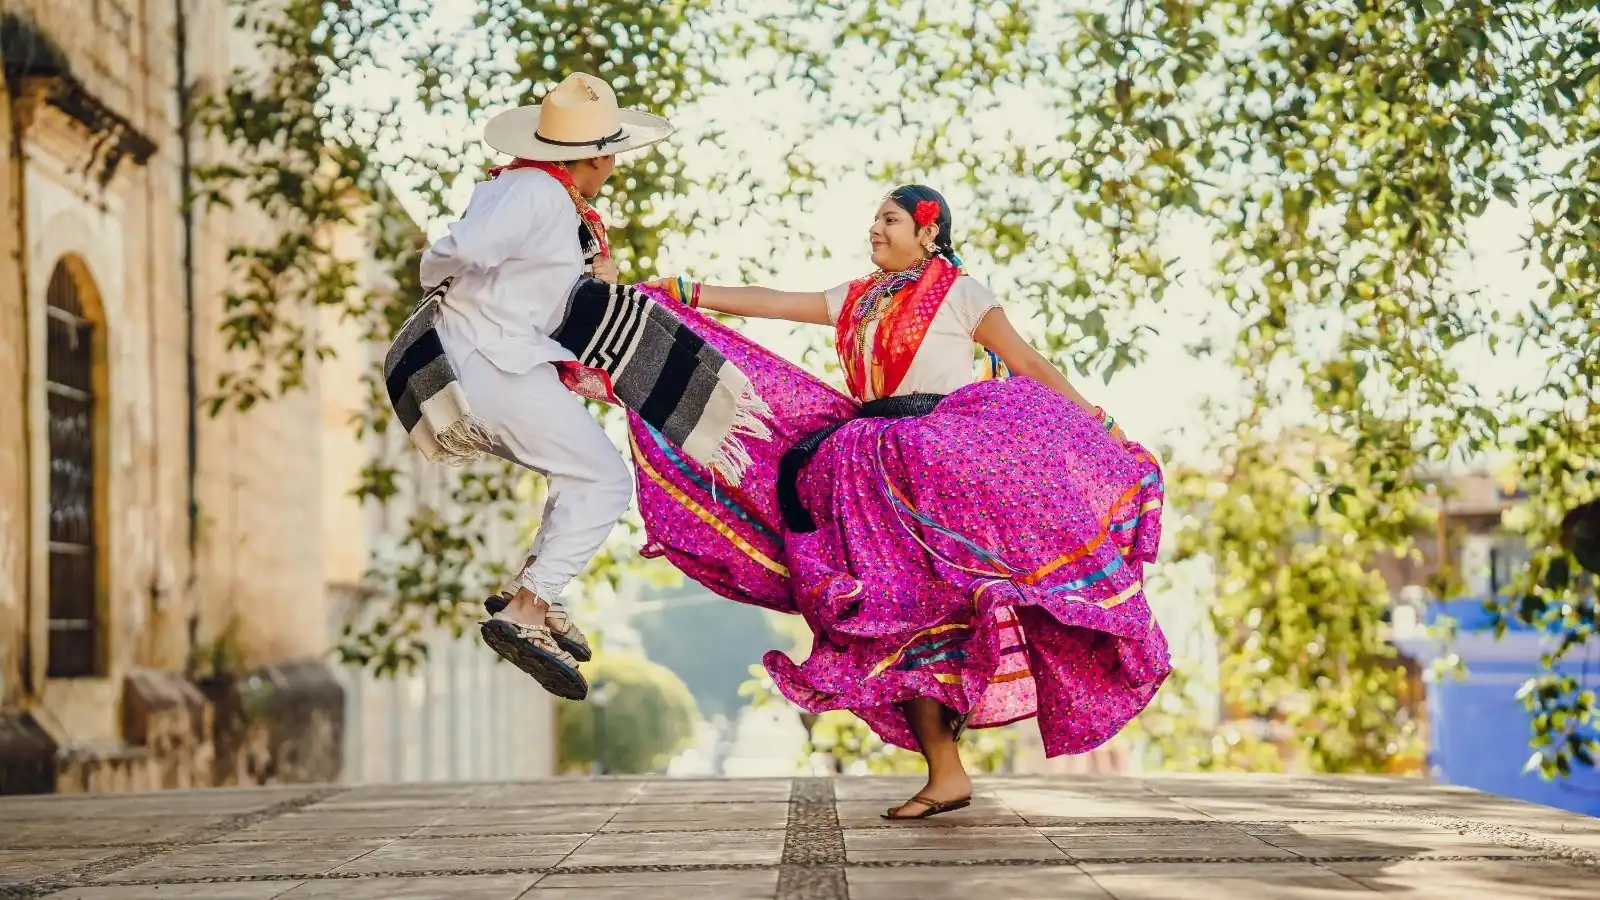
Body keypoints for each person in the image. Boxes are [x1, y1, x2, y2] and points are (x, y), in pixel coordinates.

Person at [635, 185, 1169, 819]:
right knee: (895, 617)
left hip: (940, 465)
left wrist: (1099, 423)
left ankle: (976, 732)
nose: (875, 229)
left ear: (928, 230)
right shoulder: (856, 298)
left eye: (890, 219)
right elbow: (772, 302)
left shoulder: (961, 293)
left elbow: (1026, 361)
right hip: (866, 474)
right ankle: (947, 773)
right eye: (875, 219)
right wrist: (686, 292)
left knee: (952, 607)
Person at [384, 73, 771, 701]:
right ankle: (528, 608)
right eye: (611, 154)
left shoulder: (540, 195)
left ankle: (534, 591)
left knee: (578, 474)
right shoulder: (537, 191)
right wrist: (444, 267)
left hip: (497, 364)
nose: (613, 166)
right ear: (592, 157)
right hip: (495, 364)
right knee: (605, 480)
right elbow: (461, 250)